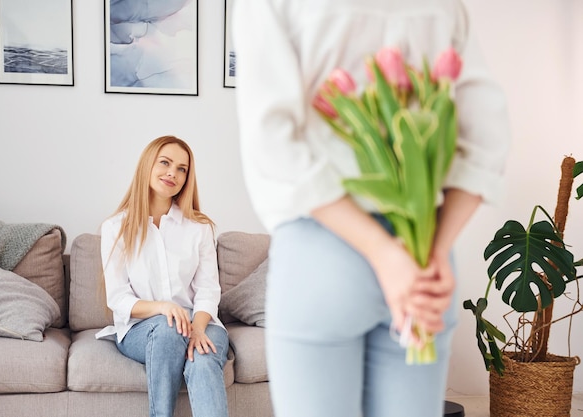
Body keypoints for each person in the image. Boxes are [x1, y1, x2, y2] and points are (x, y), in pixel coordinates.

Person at [232, 1, 510, 416]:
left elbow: (273, 145)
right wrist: (432, 252)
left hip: (323, 251)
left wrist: (382, 254)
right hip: (424, 256)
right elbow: (487, 136)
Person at [95, 135, 229, 417]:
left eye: (182, 169)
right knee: (168, 329)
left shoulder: (199, 228)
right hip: (141, 328)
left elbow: (208, 290)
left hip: (198, 321)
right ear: (147, 165)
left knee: (203, 358)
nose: (173, 173)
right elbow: (117, 298)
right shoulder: (115, 227)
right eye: (165, 163)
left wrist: (198, 328)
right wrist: (163, 308)